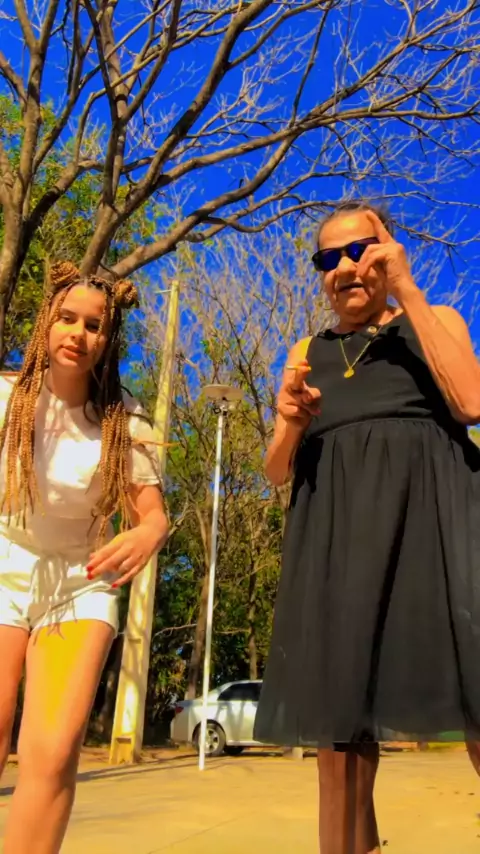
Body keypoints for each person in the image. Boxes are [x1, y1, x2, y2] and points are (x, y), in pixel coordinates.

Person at [254, 200, 480, 853]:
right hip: (342, 545)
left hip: (442, 532)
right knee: (340, 735)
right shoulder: (307, 351)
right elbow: (276, 471)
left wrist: (407, 289)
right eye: (329, 258)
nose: (346, 267)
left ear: (389, 252)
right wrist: (291, 422)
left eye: (361, 249)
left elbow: (470, 402)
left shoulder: (435, 319)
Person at [0, 261, 169, 854]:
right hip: (4, 561)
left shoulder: (123, 419)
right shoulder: (7, 398)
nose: (78, 333)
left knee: (52, 750)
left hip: (81, 579)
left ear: (108, 338)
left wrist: (150, 533)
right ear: (45, 323)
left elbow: (152, 513)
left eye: (94, 325)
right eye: (67, 318)